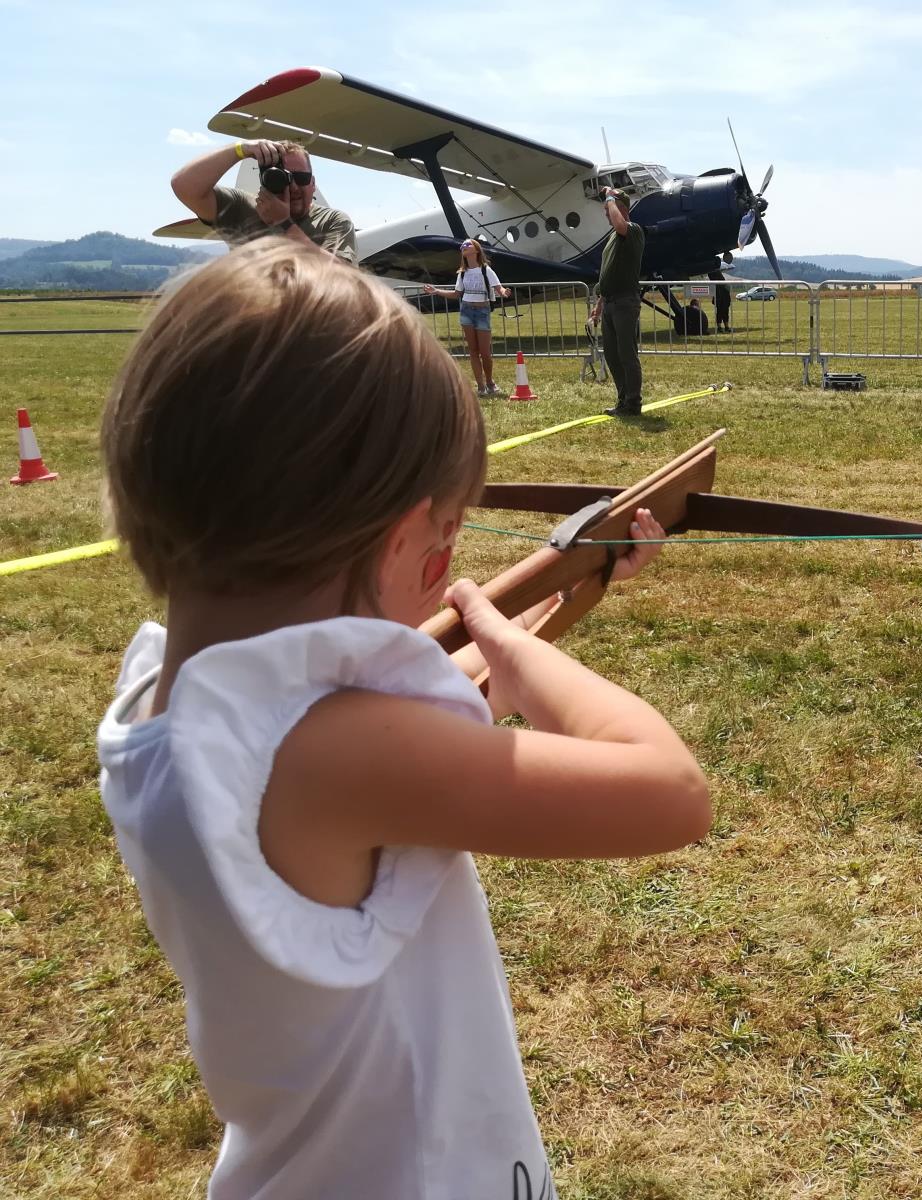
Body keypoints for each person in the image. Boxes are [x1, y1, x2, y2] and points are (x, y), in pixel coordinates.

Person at [95, 239, 708, 1198]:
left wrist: (557, 603)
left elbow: (414, 715)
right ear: (403, 549)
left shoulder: (171, 703)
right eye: (444, 544)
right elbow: (668, 791)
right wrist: (516, 645)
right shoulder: (336, 754)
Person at [171, 138, 357, 264]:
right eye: (283, 178)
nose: (292, 187)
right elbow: (184, 186)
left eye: (301, 178)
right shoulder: (244, 209)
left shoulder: (333, 221)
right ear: (265, 181)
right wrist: (240, 150)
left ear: (313, 184)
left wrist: (284, 224)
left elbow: (344, 276)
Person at [423, 238, 511, 397]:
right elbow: (456, 294)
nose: (464, 246)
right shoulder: (462, 273)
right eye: (462, 246)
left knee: (485, 352)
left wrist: (504, 293)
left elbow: (499, 288)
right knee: (473, 351)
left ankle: (490, 382)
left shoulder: (486, 270)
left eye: (468, 244)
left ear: (476, 250)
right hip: (466, 312)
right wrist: (436, 291)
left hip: (482, 312)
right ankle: (481, 386)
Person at [588, 188, 646, 416]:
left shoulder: (632, 230)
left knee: (626, 354)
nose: (606, 214)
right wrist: (599, 305)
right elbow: (608, 273)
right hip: (611, 302)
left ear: (621, 207)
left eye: (609, 209)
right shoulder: (613, 238)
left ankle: (633, 402)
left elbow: (620, 225)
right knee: (612, 354)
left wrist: (610, 197)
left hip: (625, 302)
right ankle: (623, 400)